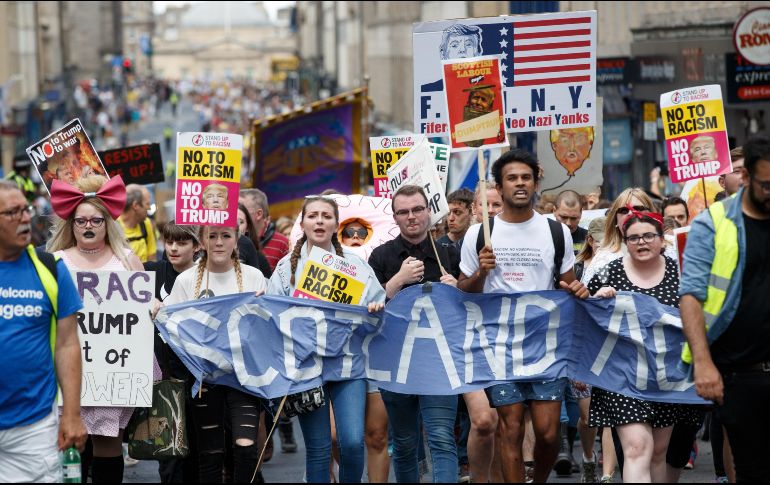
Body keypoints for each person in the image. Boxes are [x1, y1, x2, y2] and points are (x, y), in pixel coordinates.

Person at [457, 148, 589, 483]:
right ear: (499, 188)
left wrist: (581, 290)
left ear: (535, 184)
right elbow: (463, 291)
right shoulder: (478, 234)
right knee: (511, 429)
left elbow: (567, 282)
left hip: (545, 346)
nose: (520, 184)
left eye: (526, 178)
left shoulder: (556, 232)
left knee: (546, 435)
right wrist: (481, 274)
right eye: (512, 178)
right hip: (499, 346)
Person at [267, 195, 385, 483]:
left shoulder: (356, 264)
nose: (319, 220)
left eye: (326, 216)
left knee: (354, 442)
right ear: (303, 224)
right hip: (307, 367)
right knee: (319, 449)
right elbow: (272, 314)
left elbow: (377, 304)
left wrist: (374, 307)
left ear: (335, 225)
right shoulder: (286, 268)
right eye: (313, 215)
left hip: (348, 365)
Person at [47, 175, 155, 484]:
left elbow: (146, 302)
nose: (88, 226)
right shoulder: (55, 262)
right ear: (71, 224)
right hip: (66, 371)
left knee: (108, 443)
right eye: (80, 221)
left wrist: (155, 305)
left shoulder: (127, 260)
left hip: (113, 371)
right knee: (72, 442)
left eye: (96, 219)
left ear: (108, 222)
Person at [680, 135, 770, 482]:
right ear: (745, 177)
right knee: (751, 469)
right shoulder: (714, 223)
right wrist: (702, 363)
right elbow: (691, 295)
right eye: (766, 184)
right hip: (738, 370)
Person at [368, 185, 461, 483]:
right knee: (406, 445)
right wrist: (397, 281)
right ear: (394, 217)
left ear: (429, 211)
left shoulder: (449, 252)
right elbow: (369, 310)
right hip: (397, 363)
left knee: (442, 440)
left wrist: (457, 290)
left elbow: (473, 308)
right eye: (403, 212)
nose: (412, 217)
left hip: (440, 362)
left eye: (418, 209)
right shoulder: (380, 257)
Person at [165, 224, 267, 483]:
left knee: (245, 448)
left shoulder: (254, 276)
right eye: (212, 236)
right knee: (210, 454)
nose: (219, 242)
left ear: (237, 239)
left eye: (225, 236)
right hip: (205, 381)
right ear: (201, 241)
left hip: (245, 380)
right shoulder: (186, 280)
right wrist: (156, 308)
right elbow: (170, 323)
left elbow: (271, 325)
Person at [0, 180, 87, 482]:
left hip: (34, 427)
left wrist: (73, 415)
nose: (25, 218)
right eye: (12, 213)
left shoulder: (51, 269)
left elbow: (67, 344)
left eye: (25, 209)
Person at [145, 222, 201, 484]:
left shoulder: (205, 277)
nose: (174, 248)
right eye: (169, 242)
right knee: (167, 455)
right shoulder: (152, 273)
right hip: (161, 378)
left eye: (182, 243)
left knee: (198, 454)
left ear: (197, 246)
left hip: (198, 378)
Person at [581, 187, 659, 287]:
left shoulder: (671, 248)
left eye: (638, 209)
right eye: (624, 210)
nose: (631, 213)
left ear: (651, 213)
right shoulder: (603, 260)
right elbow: (589, 298)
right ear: (615, 220)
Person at [240, 188, 290, 271]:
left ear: (259, 214)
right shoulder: (233, 239)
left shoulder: (282, 243)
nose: (237, 211)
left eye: (243, 209)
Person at [119, 184, 157, 262]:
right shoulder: (113, 226)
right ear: (135, 205)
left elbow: (152, 259)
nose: (149, 208)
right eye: (147, 203)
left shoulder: (146, 223)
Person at [236, 203, 272, 277]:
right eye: (231, 220)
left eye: (240, 222)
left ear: (247, 227)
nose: (236, 226)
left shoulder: (259, 259)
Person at [553, 190, 588, 254]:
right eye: (563, 217)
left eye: (573, 218)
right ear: (554, 211)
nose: (568, 223)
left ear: (581, 214)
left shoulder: (588, 239)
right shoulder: (544, 237)